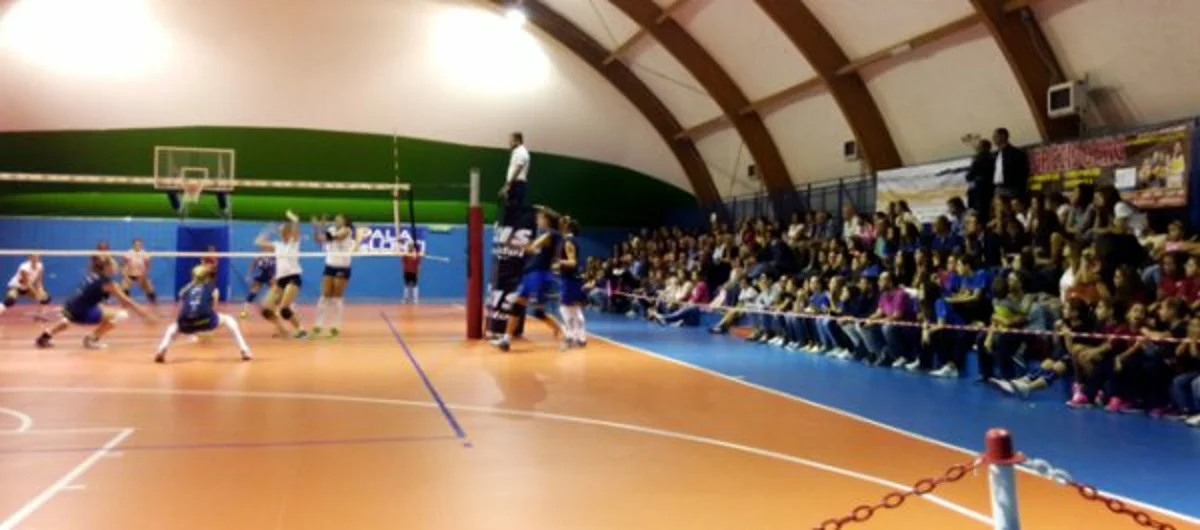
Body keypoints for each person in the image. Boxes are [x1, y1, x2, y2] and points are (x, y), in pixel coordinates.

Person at [36, 255, 153, 349]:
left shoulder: (93, 276)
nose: (117, 267)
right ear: (107, 267)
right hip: (81, 313)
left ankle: (45, 335)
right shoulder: (109, 283)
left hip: (69, 307)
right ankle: (92, 339)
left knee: (67, 320)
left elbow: (88, 295)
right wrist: (144, 313)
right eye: (115, 265)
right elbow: (126, 301)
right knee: (122, 315)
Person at [491, 209, 565, 352]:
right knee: (517, 306)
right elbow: (530, 248)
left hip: (540, 275)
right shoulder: (544, 234)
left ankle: (563, 333)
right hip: (530, 274)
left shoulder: (551, 234)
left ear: (547, 220)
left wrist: (512, 242)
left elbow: (531, 248)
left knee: (538, 312)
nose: (538, 221)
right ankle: (506, 340)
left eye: (540, 218)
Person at [154, 266, 252, 363]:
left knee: (172, 328)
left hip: (185, 323)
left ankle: (162, 349)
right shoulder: (213, 289)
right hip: (206, 320)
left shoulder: (186, 290)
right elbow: (213, 309)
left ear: (193, 277)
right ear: (206, 277)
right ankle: (244, 350)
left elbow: (182, 303)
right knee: (229, 320)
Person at [255, 211, 308, 339]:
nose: (282, 232)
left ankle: (301, 330)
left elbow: (295, 229)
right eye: (281, 231)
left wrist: (294, 219)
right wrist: (269, 229)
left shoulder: (293, 243)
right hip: (280, 280)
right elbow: (258, 242)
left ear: (289, 233)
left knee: (284, 309)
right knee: (265, 310)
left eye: (285, 230)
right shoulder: (276, 245)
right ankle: (282, 330)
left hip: (293, 278)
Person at [312, 214, 359, 338]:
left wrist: (321, 227)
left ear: (345, 221)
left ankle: (335, 326)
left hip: (342, 266)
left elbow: (335, 238)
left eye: (339, 218)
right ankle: (318, 325)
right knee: (325, 295)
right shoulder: (331, 229)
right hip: (330, 265)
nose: (336, 220)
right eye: (336, 218)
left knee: (336, 297)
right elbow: (319, 239)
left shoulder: (347, 230)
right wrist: (317, 229)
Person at [557, 216, 588, 347]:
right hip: (574, 278)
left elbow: (572, 262)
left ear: (566, 227)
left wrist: (558, 262)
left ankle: (572, 334)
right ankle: (579, 336)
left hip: (570, 279)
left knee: (565, 308)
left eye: (563, 224)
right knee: (574, 308)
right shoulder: (572, 240)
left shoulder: (568, 241)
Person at [2, 254, 52, 320]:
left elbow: (38, 281)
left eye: (37, 257)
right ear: (29, 258)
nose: (35, 258)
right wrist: (36, 294)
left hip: (27, 289)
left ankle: (39, 315)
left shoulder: (40, 265)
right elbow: (27, 283)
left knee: (46, 298)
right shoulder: (24, 267)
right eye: (33, 257)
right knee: (10, 300)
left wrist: (41, 291)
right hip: (16, 287)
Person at [992, 127, 1030, 200]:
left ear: (1003, 136)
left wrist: (1019, 188)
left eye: (995, 136)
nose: (993, 139)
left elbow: (1023, 172)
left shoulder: (1016, 153)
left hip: (1012, 188)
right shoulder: (995, 154)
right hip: (998, 188)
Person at [964, 139, 996, 223]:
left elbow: (969, 176)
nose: (977, 149)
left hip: (979, 193)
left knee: (980, 216)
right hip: (991, 191)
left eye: (979, 147)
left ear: (984, 147)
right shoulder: (994, 158)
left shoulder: (978, 159)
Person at [120, 238, 158, 305]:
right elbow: (123, 265)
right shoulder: (128, 253)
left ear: (142, 245)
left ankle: (154, 302)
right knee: (124, 286)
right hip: (130, 274)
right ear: (133, 245)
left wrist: (144, 276)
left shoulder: (145, 254)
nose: (137, 246)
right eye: (136, 244)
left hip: (141, 275)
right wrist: (125, 275)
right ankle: (125, 302)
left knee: (149, 288)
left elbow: (148, 266)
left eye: (139, 244)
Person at [500, 131, 530, 208]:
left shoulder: (522, 152)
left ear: (518, 141)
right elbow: (512, 171)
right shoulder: (516, 152)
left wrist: (508, 185)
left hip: (517, 185)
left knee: (515, 208)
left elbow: (518, 169)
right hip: (514, 184)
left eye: (511, 140)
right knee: (510, 207)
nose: (509, 142)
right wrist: (506, 185)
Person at [240, 255, 275, 319]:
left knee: (277, 292)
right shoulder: (259, 256)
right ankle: (245, 310)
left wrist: (275, 276)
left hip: (270, 276)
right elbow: (253, 264)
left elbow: (278, 266)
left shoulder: (274, 255)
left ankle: (287, 307)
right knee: (253, 293)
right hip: (260, 276)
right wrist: (249, 275)